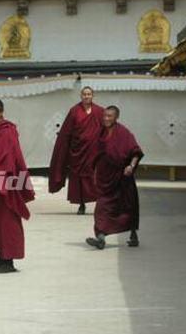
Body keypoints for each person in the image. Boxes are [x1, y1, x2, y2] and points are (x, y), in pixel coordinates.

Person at [0, 98, 35, 273]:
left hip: (4, 183)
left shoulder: (7, 130)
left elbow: (8, 156)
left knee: (7, 221)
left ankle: (9, 261)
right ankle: (1, 257)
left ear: (1, 112)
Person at [86, 106, 143, 250]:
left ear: (116, 117)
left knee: (127, 207)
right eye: (105, 115)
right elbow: (95, 154)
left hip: (123, 176)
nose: (106, 118)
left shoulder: (123, 133)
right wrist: (94, 172)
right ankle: (101, 237)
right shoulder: (101, 133)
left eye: (109, 116)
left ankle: (133, 235)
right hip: (106, 178)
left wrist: (131, 165)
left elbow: (135, 151)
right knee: (102, 208)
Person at [49, 86, 104, 215]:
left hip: (94, 152)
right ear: (81, 96)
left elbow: (105, 130)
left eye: (89, 94)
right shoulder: (74, 111)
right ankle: (81, 205)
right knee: (79, 179)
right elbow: (66, 132)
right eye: (84, 94)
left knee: (95, 178)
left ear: (92, 96)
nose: (86, 96)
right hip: (78, 151)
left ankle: (100, 205)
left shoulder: (100, 111)